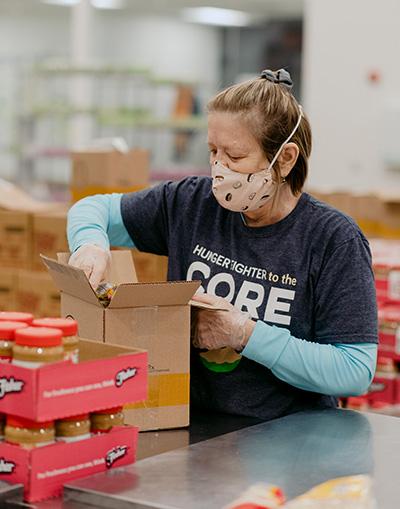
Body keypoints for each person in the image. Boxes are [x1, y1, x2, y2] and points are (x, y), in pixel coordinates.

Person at [67, 69, 378, 421]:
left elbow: (355, 370)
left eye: (235, 155)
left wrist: (244, 334)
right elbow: (92, 209)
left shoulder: (332, 239)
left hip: (289, 435)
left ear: (286, 159)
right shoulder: (191, 203)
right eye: (213, 151)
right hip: (193, 423)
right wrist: (91, 244)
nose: (219, 168)